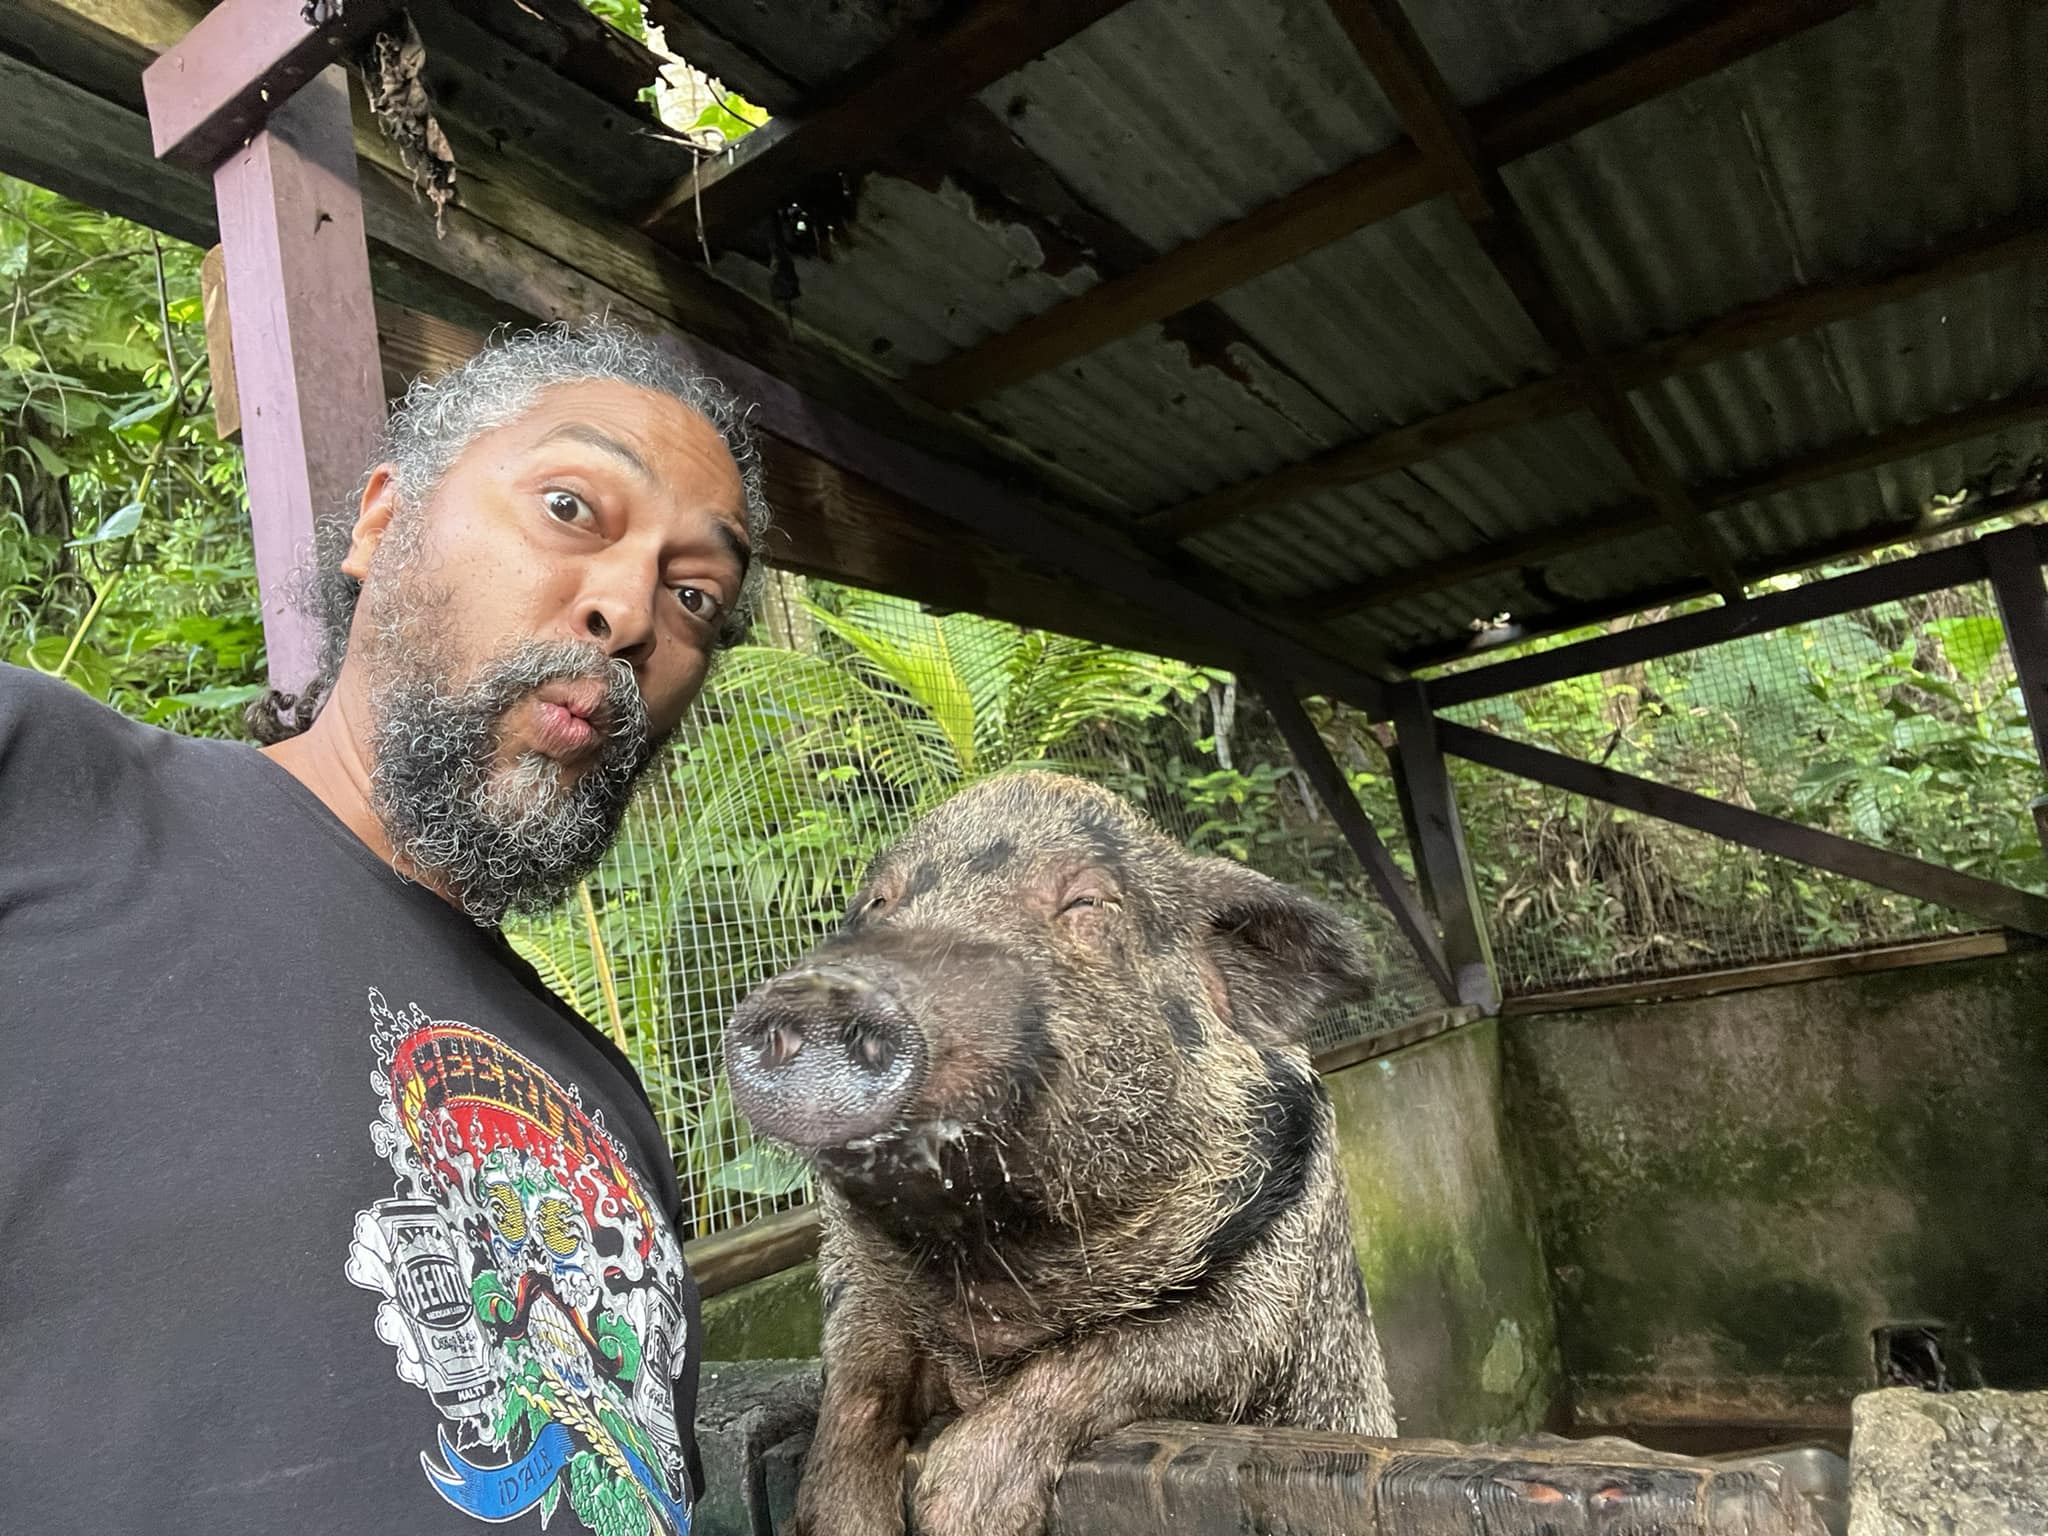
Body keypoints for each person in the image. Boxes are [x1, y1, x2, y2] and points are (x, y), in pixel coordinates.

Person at [0, 321, 770, 1535]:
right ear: (379, 523)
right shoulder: (47, 793)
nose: (627, 612)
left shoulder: (604, 1092)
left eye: (695, 597)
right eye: (572, 506)